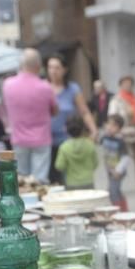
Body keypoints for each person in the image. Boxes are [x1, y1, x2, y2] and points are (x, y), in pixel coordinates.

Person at [2, 49, 58, 180]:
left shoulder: (8, 85)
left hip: (19, 139)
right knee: (39, 180)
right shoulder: (45, 87)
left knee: (21, 179)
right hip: (41, 139)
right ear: (39, 66)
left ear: (21, 65)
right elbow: (55, 110)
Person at [47, 54, 97, 185]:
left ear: (64, 70)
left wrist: (93, 130)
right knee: (50, 179)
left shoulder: (72, 89)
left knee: (66, 177)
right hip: (46, 140)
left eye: (57, 67)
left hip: (67, 140)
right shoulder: (43, 88)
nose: (53, 71)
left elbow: (84, 111)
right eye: (50, 67)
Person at [108, 75, 135, 193]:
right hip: (123, 132)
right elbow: (112, 116)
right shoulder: (116, 100)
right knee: (121, 159)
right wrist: (115, 130)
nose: (128, 85)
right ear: (120, 85)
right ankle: (116, 184)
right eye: (125, 83)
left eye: (130, 83)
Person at [54, 114, 99, 190]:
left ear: (66, 129)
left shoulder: (64, 147)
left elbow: (59, 166)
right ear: (83, 128)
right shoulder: (90, 144)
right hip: (88, 182)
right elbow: (95, 163)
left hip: (71, 183)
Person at [100, 114, 131, 211]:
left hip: (118, 171)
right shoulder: (105, 137)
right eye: (108, 124)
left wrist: (118, 170)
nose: (109, 127)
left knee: (112, 191)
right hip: (110, 169)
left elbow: (125, 157)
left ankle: (117, 211)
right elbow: (98, 141)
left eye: (113, 125)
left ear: (119, 128)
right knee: (116, 190)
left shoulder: (120, 141)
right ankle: (124, 209)